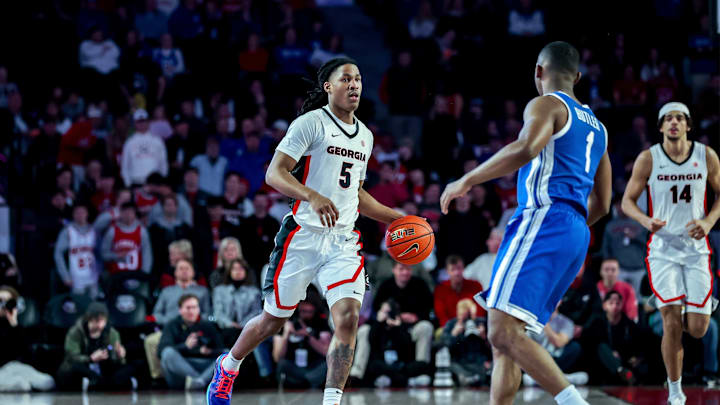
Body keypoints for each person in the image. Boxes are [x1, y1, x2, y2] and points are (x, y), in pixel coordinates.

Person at [207, 57, 404, 405]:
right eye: (346, 79)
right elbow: (275, 173)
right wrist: (312, 195)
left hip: (342, 240)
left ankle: (332, 401)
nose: (354, 84)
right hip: (302, 236)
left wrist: (397, 218)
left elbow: (355, 194)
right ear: (328, 86)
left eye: (358, 78)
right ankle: (229, 365)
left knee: (348, 317)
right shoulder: (310, 124)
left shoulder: (366, 137)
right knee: (272, 321)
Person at [440, 41, 611, 405]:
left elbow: (525, 148)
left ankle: (572, 402)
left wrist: (465, 180)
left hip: (545, 216)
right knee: (507, 338)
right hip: (577, 229)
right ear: (577, 77)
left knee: (501, 332)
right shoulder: (599, 127)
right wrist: (572, 226)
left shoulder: (546, 103)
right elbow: (605, 202)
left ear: (538, 71)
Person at [621, 101, 720, 405]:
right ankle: (675, 392)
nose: (674, 123)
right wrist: (645, 220)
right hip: (662, 250)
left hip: (695, 250)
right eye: (668, 119)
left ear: (688, 125)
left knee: (699, 329)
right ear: (661, 126)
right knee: (671, 320)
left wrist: (708, 220)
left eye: (679, 118)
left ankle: (696, 304)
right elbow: (627, 201)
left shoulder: (707, 156)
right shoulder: (648, 158)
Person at [56, 303, 137, 391]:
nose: (100, 325)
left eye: (103, 321)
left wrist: (120, 355)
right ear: (89, 319)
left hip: (104, 369)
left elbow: (117, 361)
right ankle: (98, 383)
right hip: (84, 367)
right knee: (72, 368)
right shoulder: (76, 331)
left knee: (130, 367)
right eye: (97, 321)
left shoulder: (112, 333)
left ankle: (99, 383)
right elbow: (71, 356)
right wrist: (90, 358)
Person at [158, 294, 223, 390]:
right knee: (167, 353)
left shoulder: (207, 326)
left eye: (194, 307)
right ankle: (199, 381)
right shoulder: (172, 325)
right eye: (188, 308)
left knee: (225, 356)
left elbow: (221, 349)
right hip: (181, 369)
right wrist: (185, 346)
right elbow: (161, 351)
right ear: (180, 310)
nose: (191, 311)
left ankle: (199, 382)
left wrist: (208, 351)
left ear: (199, 309)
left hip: (204, 366)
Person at [0, 286, 55, 392]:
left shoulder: (17, 326)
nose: (3, 305)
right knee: (21, 385)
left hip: (16, 367)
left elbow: (26, 354)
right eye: (0, 301)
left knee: (47, 382)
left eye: (7, 301)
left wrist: (14, 324)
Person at [272, 298, 331, 388]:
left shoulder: (320, 324)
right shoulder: (286, 325)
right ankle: (304, 382)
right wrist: (286, 334)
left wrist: (308, 337)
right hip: (293, 367)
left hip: (313, 368)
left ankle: (308, 381)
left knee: (327, 364)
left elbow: (326, 352)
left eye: (310, 312)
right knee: (282, 364)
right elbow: (277, 357)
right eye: (304, 311)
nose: (306, 315)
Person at [54, 203, 100, 298]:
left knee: (93, 306)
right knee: (78, 306)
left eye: (82, 212)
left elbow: (100, 254)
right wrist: (65, 276)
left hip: (92, 277)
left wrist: (100, 271)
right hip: (75, 278)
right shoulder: (68, 231)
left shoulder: (94, 231)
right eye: (77, 213)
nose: (80, 215)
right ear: (73, 215)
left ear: (87, 214)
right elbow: (58, 254)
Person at [434, 255, 485, 327]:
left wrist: (477, 324)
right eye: (453, 269)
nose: (456, 273)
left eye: (459, 268)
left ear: (463, 268)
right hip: (450, 326)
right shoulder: (440, 289)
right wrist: (452, 328)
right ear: (447, 271)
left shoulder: (476, 286)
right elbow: (441, 315)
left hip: (473, 325)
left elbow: (481, 309)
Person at [596, 258, 638, 322]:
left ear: (618, 271)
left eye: (613, 270)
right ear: (600, 271)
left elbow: (632, 315)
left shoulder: (627, 289)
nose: (610, 273)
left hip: (622, 325)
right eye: (606, 270)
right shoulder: (594, 289)